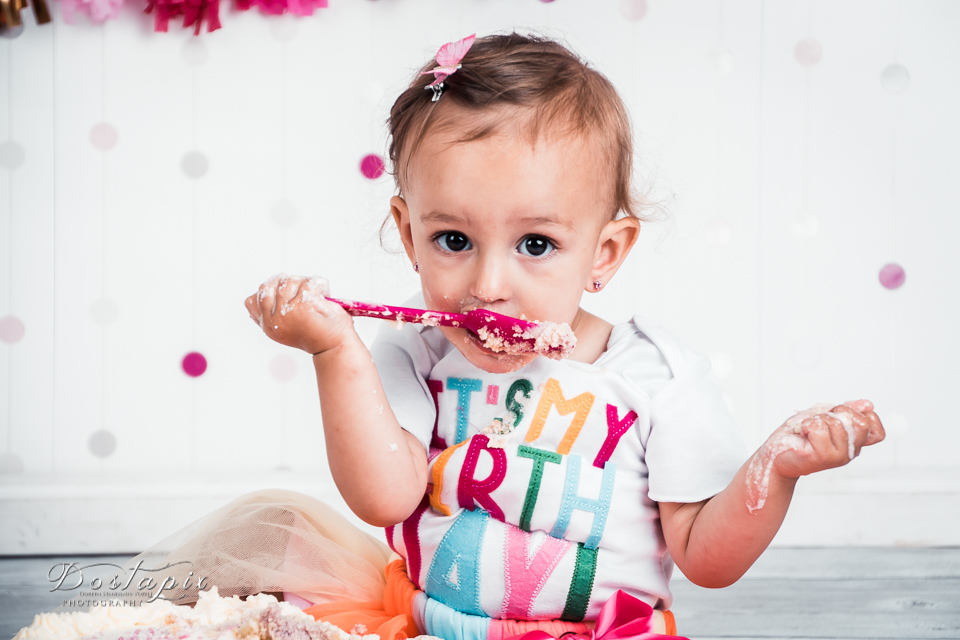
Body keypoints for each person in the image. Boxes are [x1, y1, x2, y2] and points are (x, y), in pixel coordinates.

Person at [237, 32, 886, 640]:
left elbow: (705, 558)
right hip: (431, 624)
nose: (489, 284)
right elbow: (385, 497)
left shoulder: (655, 378)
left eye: (536, 244)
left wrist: (777, 470)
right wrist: (335, 350)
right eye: (454, 240)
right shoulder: (417, 350)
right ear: (409, 236)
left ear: (604, 252)